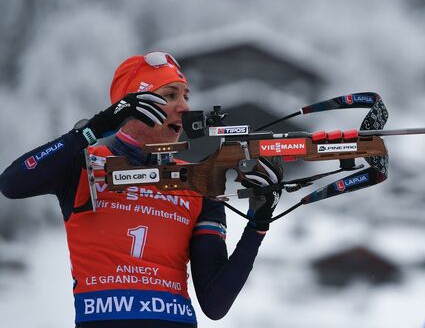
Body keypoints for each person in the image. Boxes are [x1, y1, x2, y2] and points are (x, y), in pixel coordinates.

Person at [0, 51, 283, 328]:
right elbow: (12, 182)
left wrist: (257, 225)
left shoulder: (197, 179)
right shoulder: (84, 164)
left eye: (186, 96)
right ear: (133, 104)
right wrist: (93, 128)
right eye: (170, 95)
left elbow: (215, 303)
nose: (183, 107)